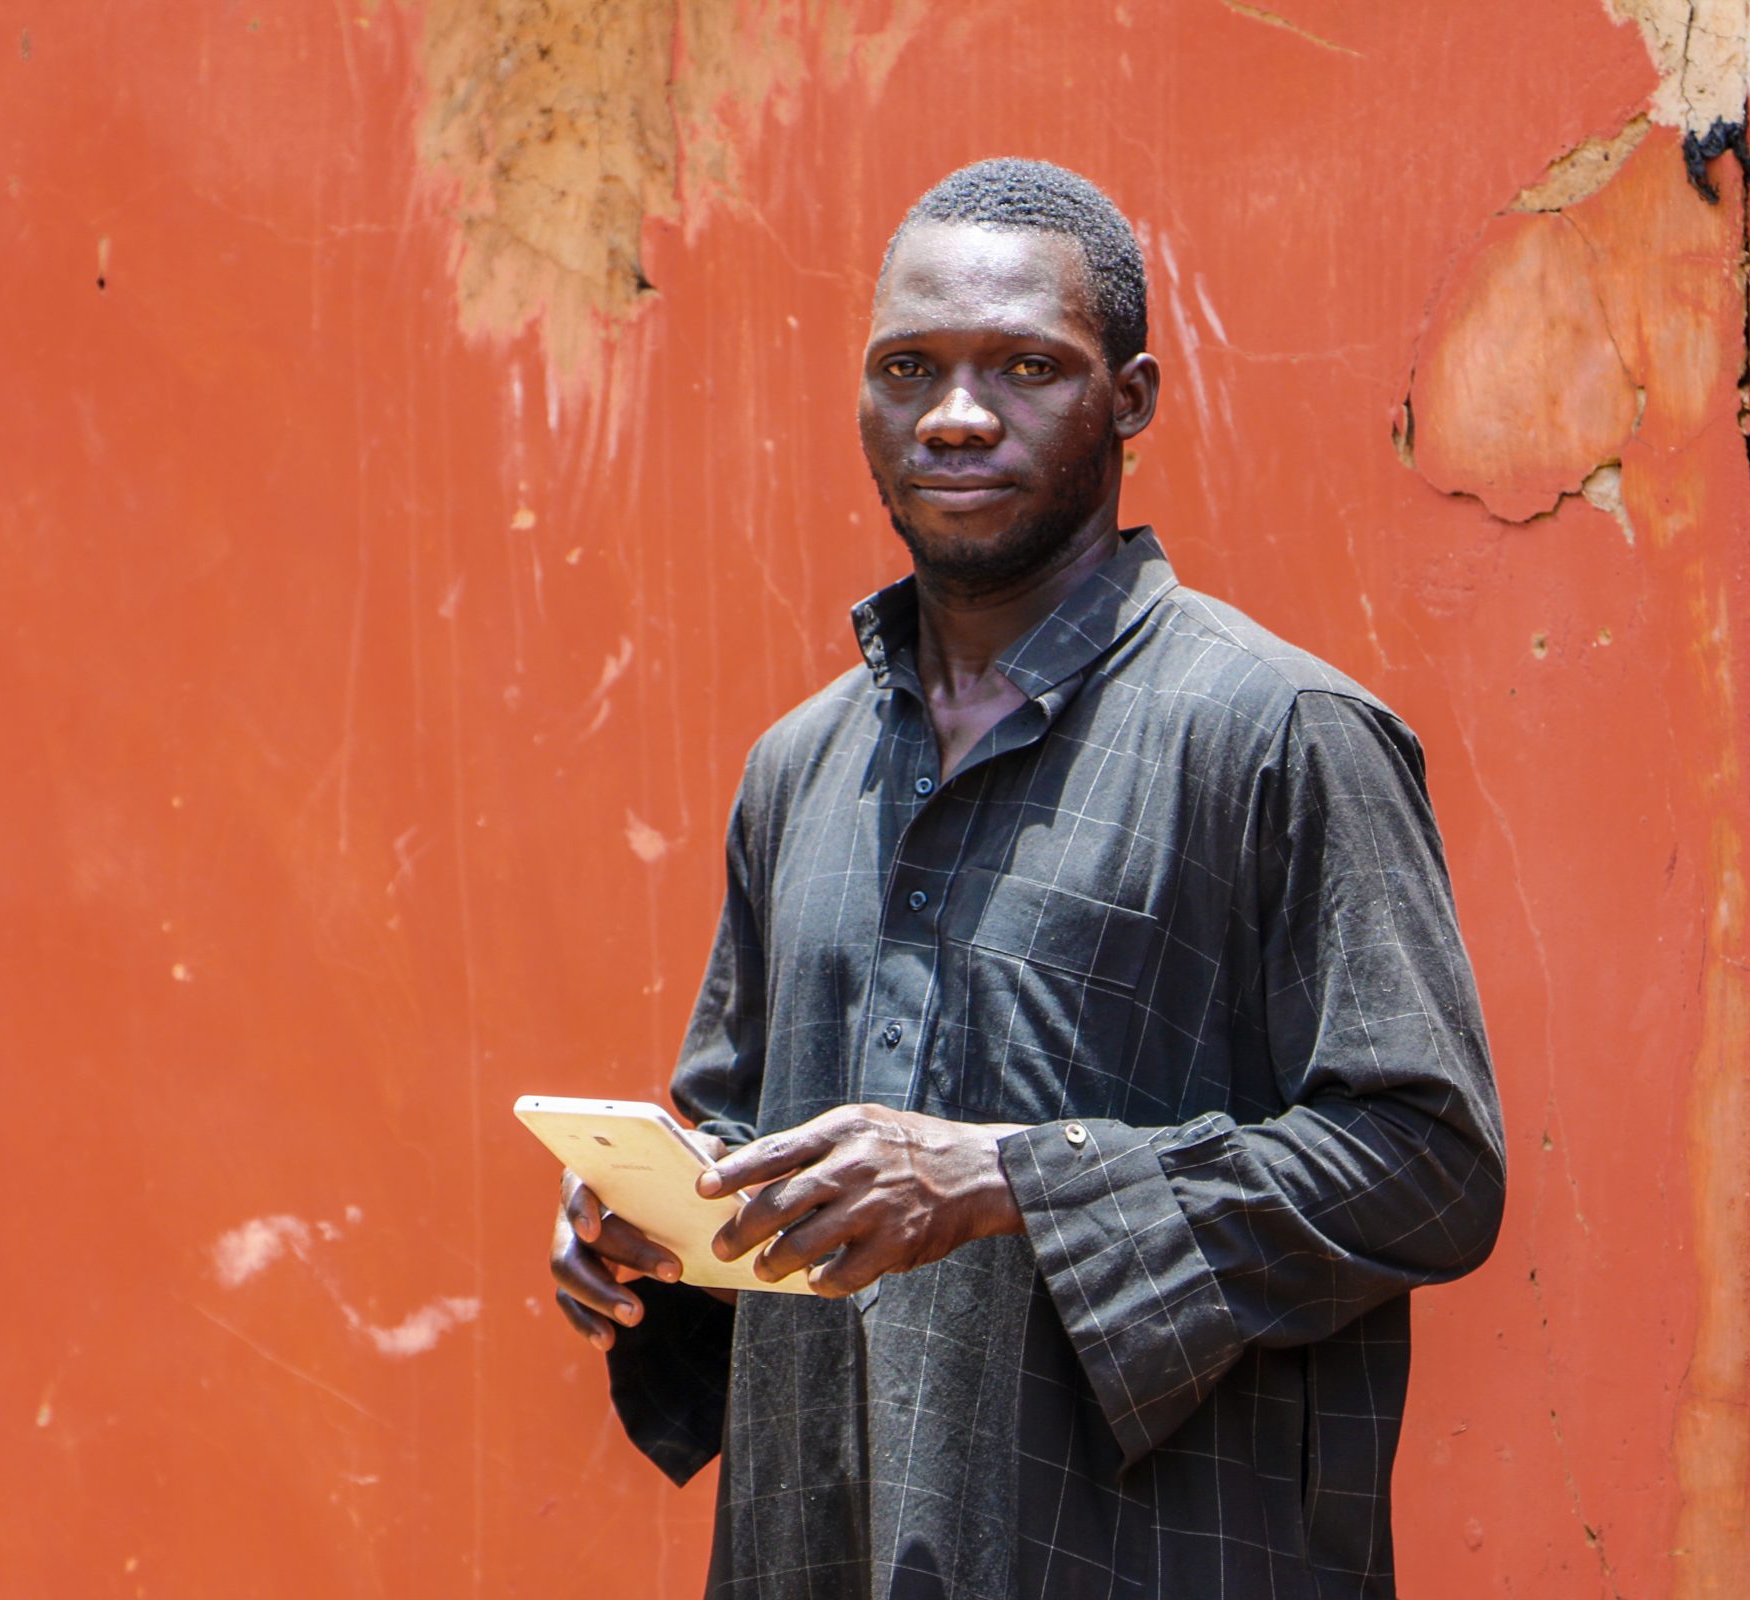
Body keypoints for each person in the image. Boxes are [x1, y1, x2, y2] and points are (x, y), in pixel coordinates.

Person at [549, 156, 1506, 1599]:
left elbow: (1430, 1171)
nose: (955, 413)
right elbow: (737, 1135)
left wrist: (1004, 1177)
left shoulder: (1275, 734)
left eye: (1027, 367)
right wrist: (649, 1232)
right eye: (907, 367)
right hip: (826, 1551)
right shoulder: (798, 769)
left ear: (1130, 398)